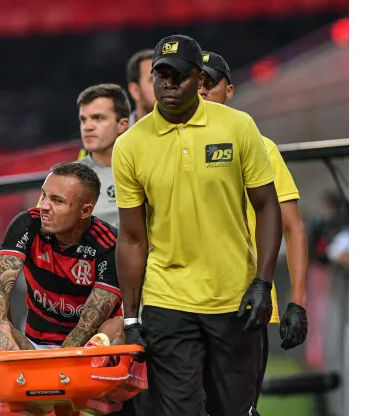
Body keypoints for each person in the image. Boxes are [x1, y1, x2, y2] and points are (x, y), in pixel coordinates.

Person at [112, 35, 283, 416]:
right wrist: (131, 316)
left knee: (235, 410)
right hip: (166, 298)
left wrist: (262, 283)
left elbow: (268, 207)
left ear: (199, 81)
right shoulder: (130, 146)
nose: (169, 84)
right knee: (179, 411)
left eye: (180, 76)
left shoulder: (238, 126)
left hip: (233, 296)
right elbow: (133, 238)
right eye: (161, 75)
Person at [199, 50, 310, 406]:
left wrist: (298, 302)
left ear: (229, 90)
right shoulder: (164, 147)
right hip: (180, 302)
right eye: (194, 83)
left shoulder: (262, 148)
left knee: (237, 407)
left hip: (245, 301)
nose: (201, 91)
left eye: (210, 83)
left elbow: (292, 227)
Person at [0, 162, 124, 353]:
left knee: (116, 326)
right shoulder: (27, 223)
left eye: (57, 201)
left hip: (83, 348)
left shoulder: (109, 243)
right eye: (44, 195)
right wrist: (1, 328)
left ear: (85, 211)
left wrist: (58, 366)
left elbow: (87, 326)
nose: (44, 206)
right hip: (32, 345)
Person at [77, 49, 154, 159]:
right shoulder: (103, 139)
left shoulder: (184, 134)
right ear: (135, 91)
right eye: (154, 80)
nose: (164, 86)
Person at [74, 84, 131, 228]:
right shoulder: (69, 178)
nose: (87, 127)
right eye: (83, 120)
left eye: (97, 118)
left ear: (122, 125)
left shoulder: (148, 168)